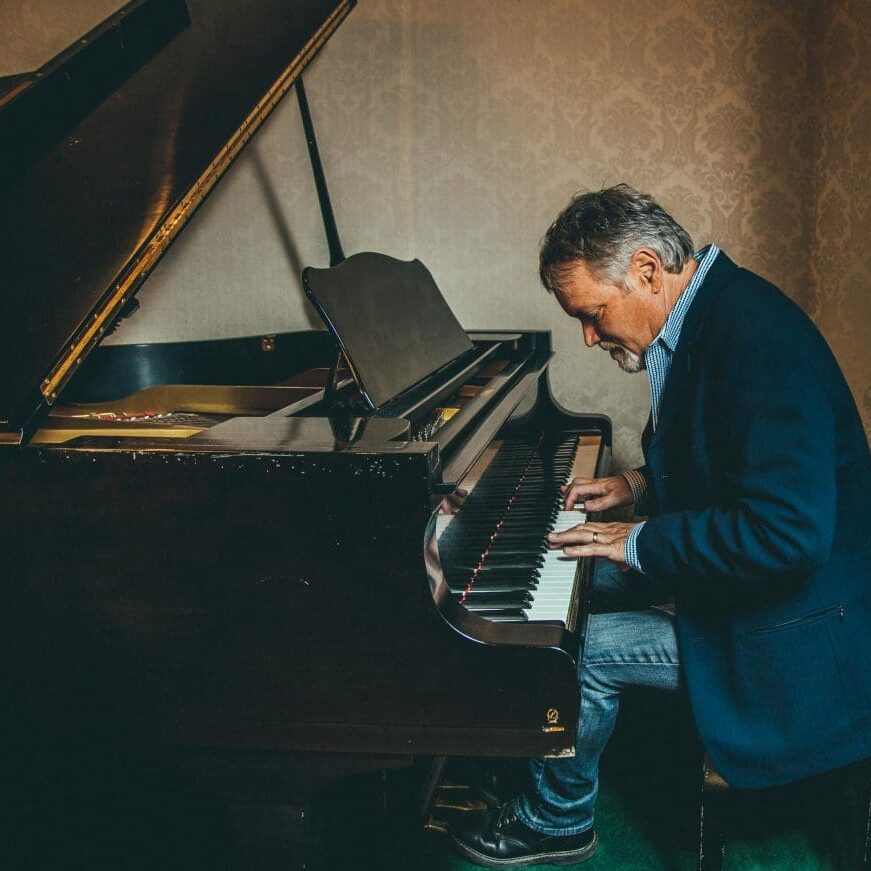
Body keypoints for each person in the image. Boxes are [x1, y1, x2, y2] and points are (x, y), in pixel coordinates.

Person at [452, 184, 871, 868]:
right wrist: (637, 485)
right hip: (762, 594)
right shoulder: (710, 315)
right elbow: (729, 456)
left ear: (646, 269)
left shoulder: (755, 340)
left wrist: (637, 536)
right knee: (574, 582)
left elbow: (788, 533)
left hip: (802, 631)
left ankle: (556, 819)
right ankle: (517, 750)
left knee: (579, 650)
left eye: (591, 313)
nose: (587, 337)